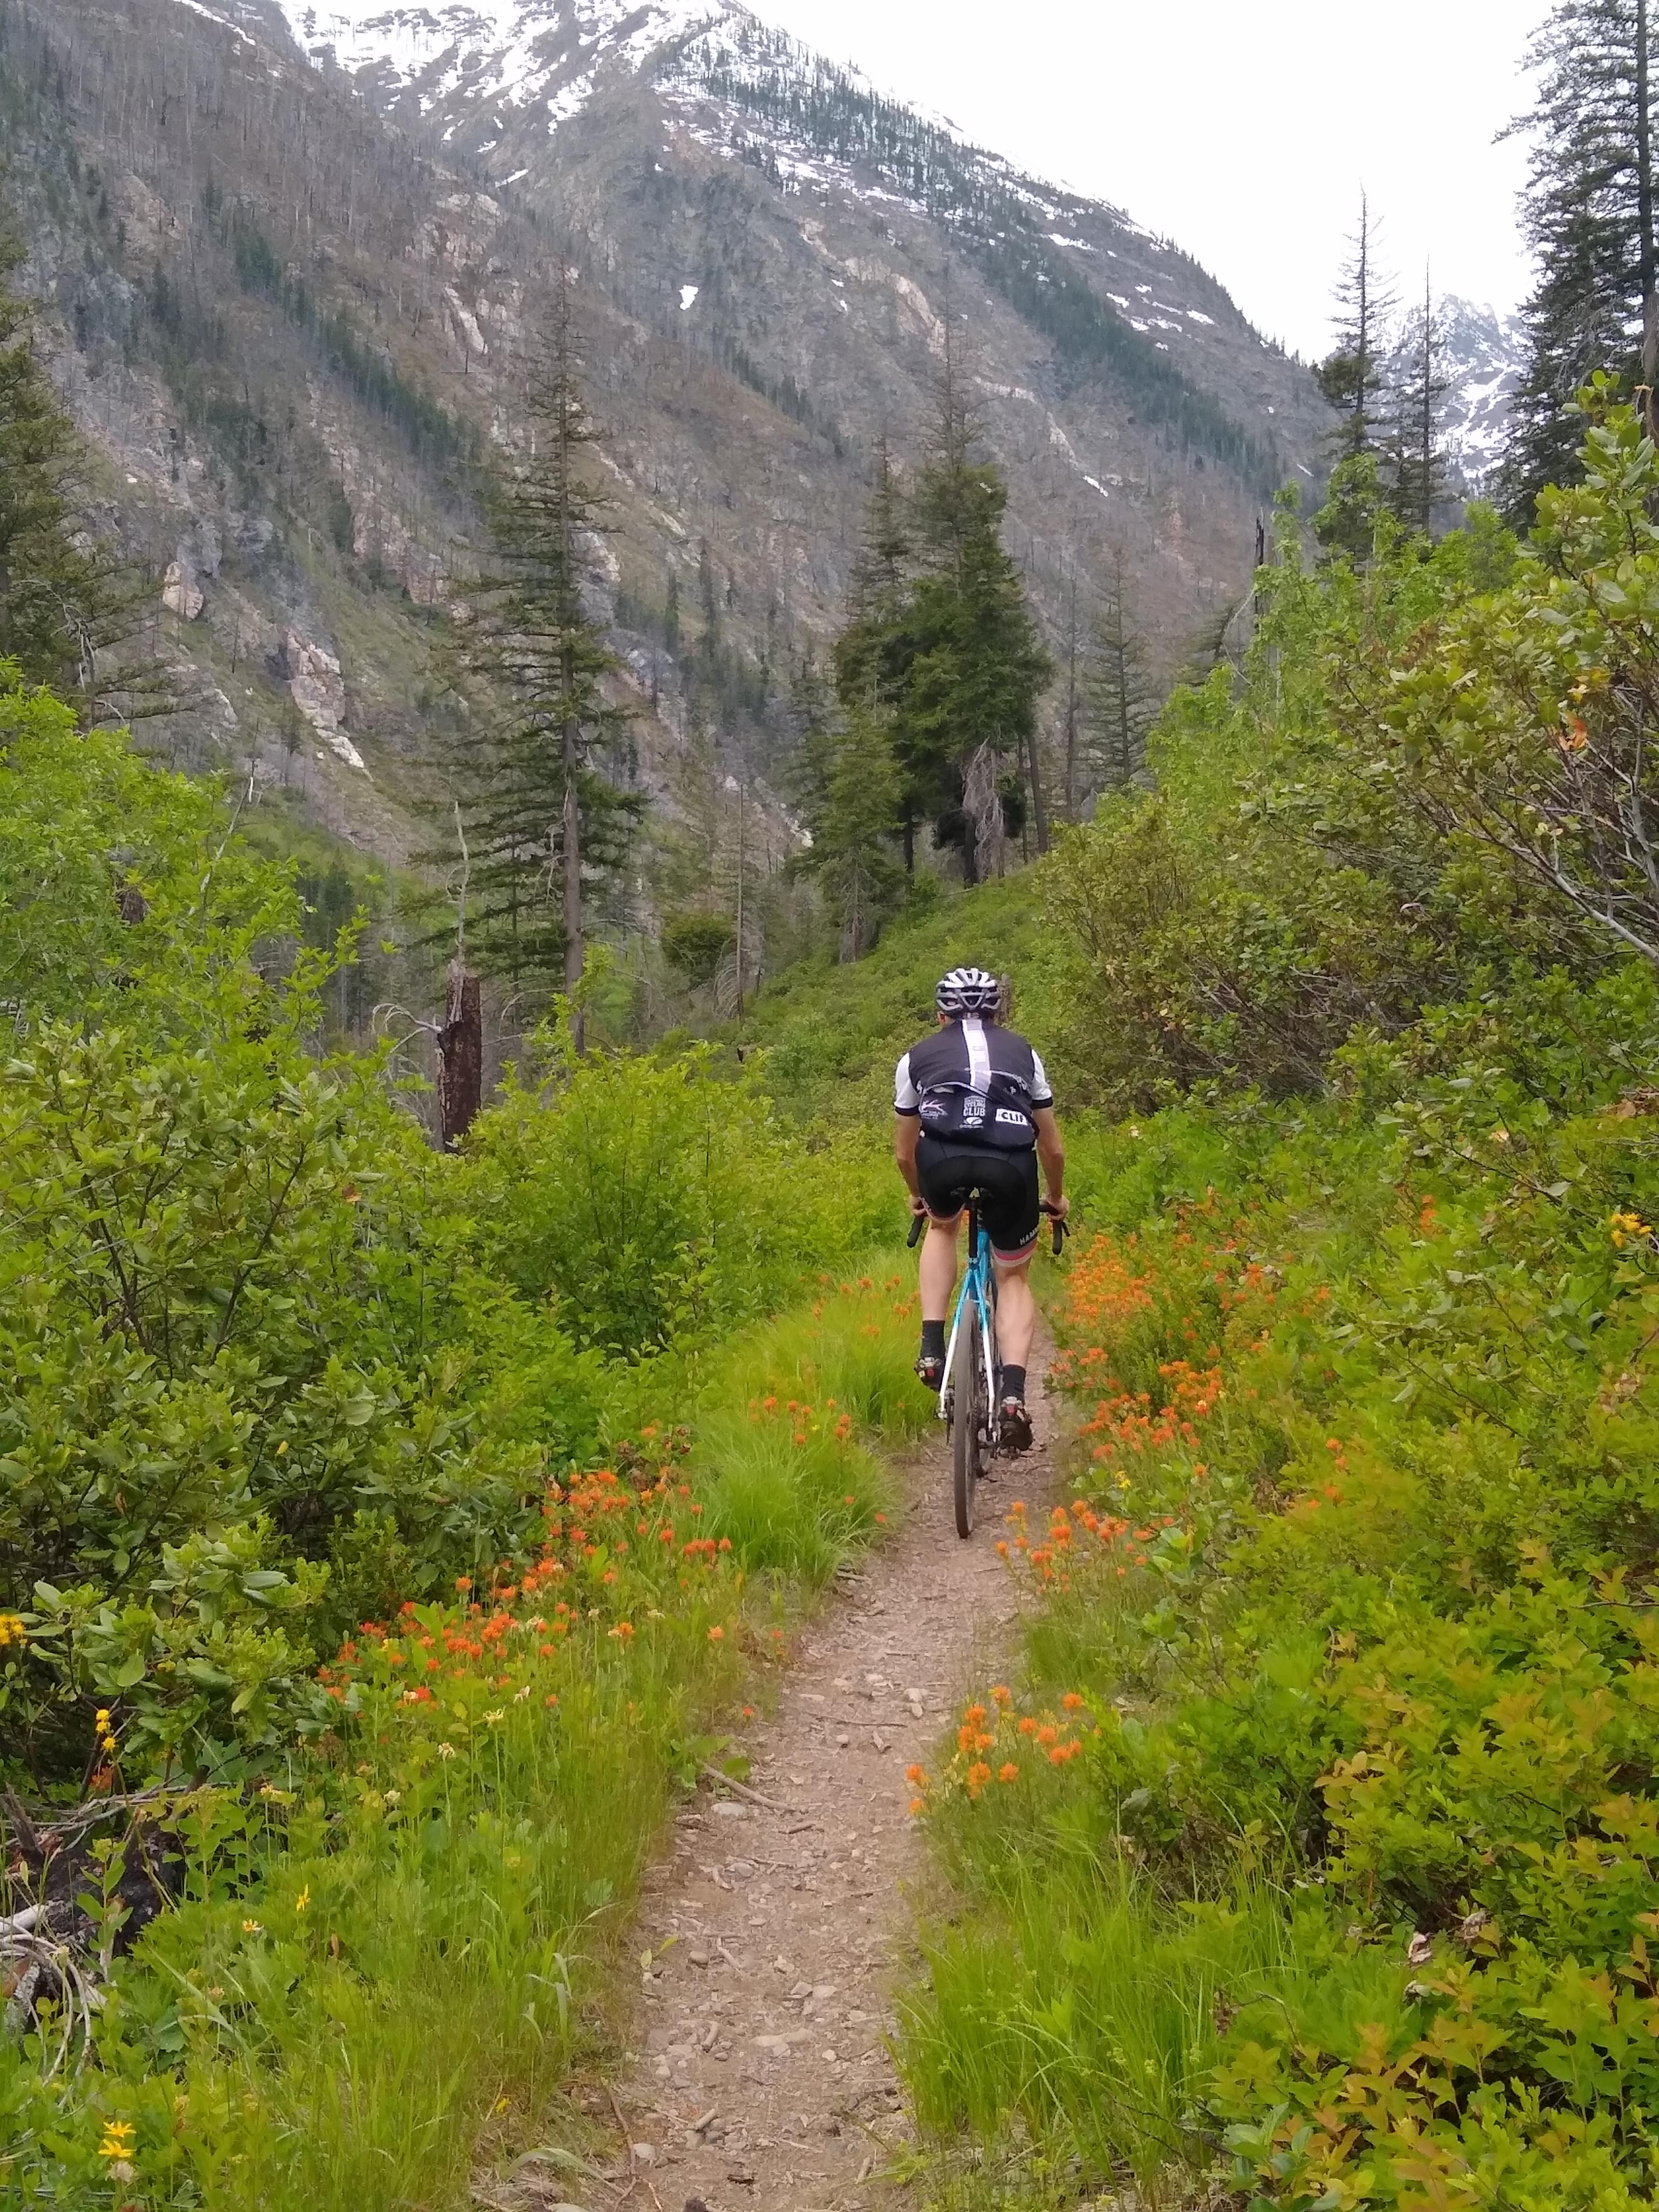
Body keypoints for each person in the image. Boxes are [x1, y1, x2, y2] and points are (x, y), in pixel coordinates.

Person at [893, 966, 1067, 1453]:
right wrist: (1056, 1197)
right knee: (1012, 1279)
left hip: (942, 1161)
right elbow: (1052, 1148)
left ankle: (932, 1347)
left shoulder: (915, 1058)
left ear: (940, 1015)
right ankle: (1012, 1398)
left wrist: (919, 1195)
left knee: (942, 1229)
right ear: (998, 1012)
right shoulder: (1025, 1053)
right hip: (1010, 1166)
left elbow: (904, 1153)